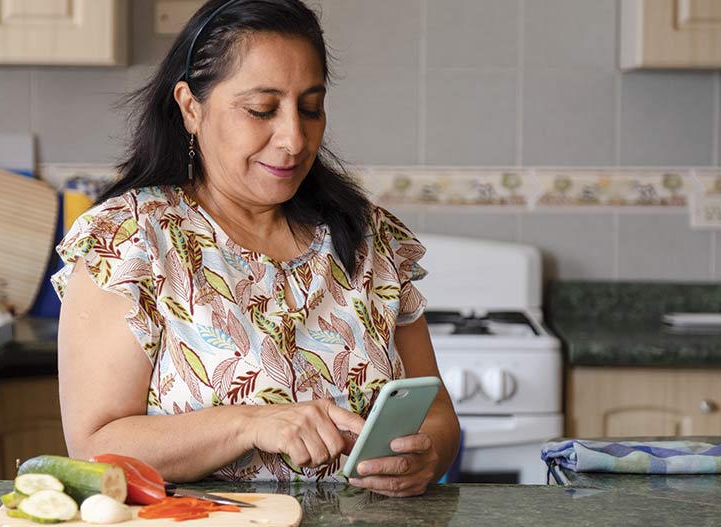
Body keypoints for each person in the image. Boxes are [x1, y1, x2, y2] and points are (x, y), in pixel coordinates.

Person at [52, 0, 460, 497]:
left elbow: (436, 411)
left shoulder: (369, 237)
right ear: (190, 108)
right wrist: (250, 423)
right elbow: (94, 448)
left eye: (310, 108)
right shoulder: (130, 240)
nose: (293, 138)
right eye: (261, 110)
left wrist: (428, 454)